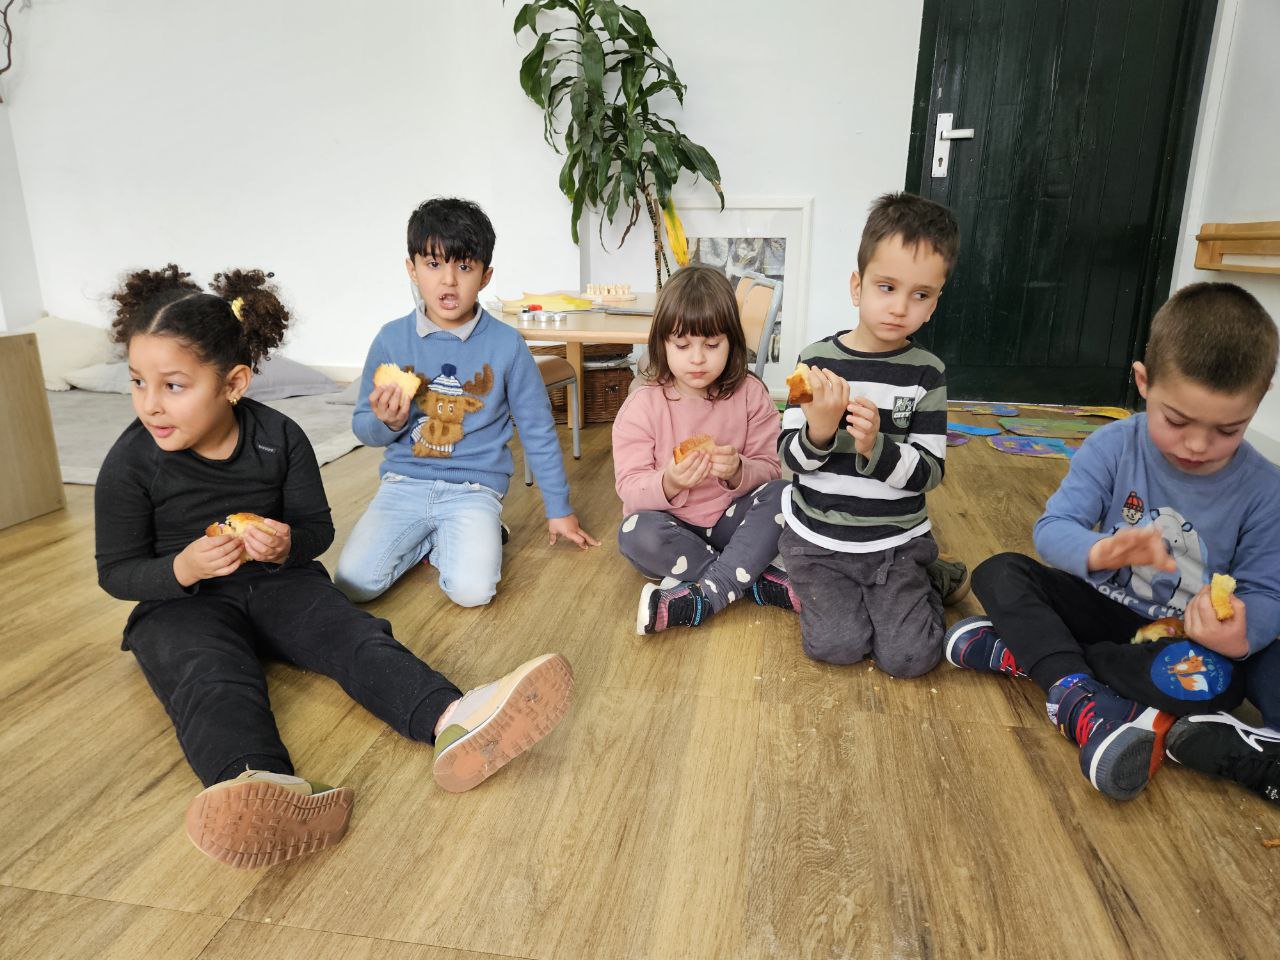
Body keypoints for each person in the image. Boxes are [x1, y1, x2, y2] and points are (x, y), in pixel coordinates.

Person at [95, 264, 574, 867]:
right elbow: (117, 571)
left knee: (355, 638)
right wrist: (183, 568)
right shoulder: (130, 463)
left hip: (279, 583)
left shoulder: (279, 437)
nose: (151, 405)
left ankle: (455, 718)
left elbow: (316, 530)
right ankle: (257, 784)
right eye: (138, 382)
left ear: (234, 382)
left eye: (173, 386)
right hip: (181, 606)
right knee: (209, 677)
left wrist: (285, 546)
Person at [948, 282, 1280, 803]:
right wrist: (1099, 551)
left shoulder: (1265, 490)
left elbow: (1266, 592)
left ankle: (1039, 654)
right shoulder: (1113, 444)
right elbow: (1053, 528)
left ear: (1257, 405)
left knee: (1222, 683)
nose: (1198, 444)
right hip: (1102, 605)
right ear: (1143, 382)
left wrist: (1240, 635)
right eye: (1176, 420)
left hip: (1181, 640)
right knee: (1000, 571)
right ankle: (1075, 691)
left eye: (1227, 430)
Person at [335, 197, 598, 607]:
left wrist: (559, 510)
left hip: (474, 489)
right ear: (412, 269)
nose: (448, 281)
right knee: (353, 584)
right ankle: (435, 540)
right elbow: (363, 428)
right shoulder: (390, 339)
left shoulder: (507, 344)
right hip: (403, 485)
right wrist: (388, 423)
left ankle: (468, 534)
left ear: (485, 275)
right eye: (433, 264)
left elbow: (538, 430)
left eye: (464, 267)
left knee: (473, 592)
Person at [779, 192, 966, 677]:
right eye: (887, 287)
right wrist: (820, 432)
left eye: (920, 295)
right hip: (818, 541)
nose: (900, 307)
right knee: (836, 646)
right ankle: (894, 593)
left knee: (909, 659)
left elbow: (930, 471)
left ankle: (930, 579)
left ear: (935, 303)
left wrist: (877, 448)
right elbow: (788, 459)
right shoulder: (813, 362)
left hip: (895, 542)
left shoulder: (927, 374)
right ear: (857, 286)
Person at [612, 265, 796, 634]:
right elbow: (629, 487)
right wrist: (670, 482)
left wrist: (739, 470)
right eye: (682, 346)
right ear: (662, 344)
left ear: (732, 342)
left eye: (712, 345)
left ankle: (706, 595)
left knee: (785, 495)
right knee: (633, 533)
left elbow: (770, 468)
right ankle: (749, 580)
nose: (697, 358)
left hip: (731, 523)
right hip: (671, 527)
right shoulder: (643, 405)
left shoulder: (751, 394)